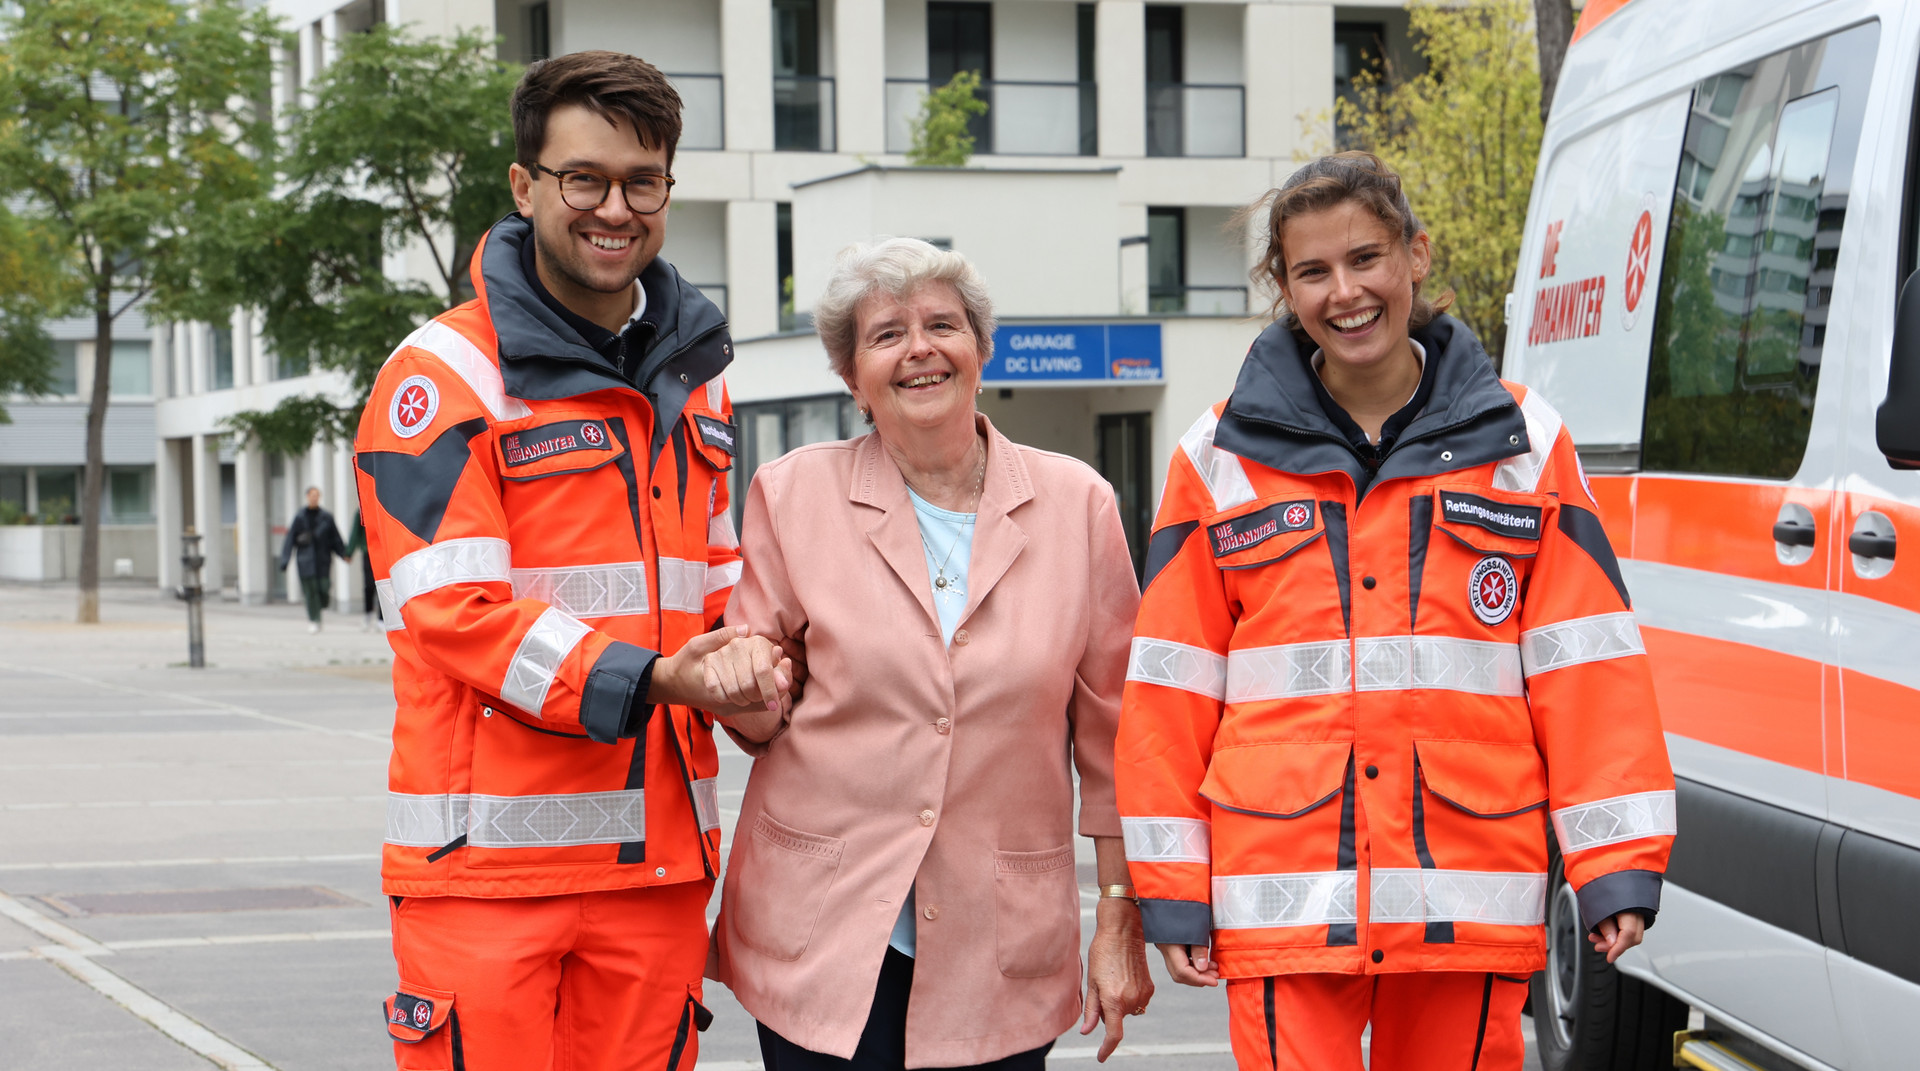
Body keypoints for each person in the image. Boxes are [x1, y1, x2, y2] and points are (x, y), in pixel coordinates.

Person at [1114, 152, 1676, 1071]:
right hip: (1286, 898)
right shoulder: (1217, 456)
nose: (1345, 292)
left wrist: (1613, 859)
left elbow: (1586, 663)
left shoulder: (1524, 444)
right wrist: (1172, 887)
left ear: (1416, 255)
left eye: (1366, 257)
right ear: (1284, 288)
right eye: (1313, 270)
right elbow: (1170, 688)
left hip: (1465, 893)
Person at [353, 51, 792, 1071]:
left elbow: (718, 594)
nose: (615, 209)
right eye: (583, 179)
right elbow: (455, 613)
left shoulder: (698, 381)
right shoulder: (443, 376)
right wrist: (661, 678)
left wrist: (759, 678)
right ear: (525, 186)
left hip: (658, 870)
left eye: (643, 182)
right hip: (487, 876)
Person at [713, 237, 1154, 1070]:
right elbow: (758, 700)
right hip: (823, 929)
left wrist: (1119, 912)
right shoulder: (793, 492)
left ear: (981, 351)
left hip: (998, 942)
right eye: (887, 334)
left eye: (942, 325)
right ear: (852, 376)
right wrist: (744, 683)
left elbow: (1119, 739)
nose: (919, 348)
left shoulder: (1079, 506)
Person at [277, 486, 349, 633]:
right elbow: (290, 539)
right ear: (307, 497)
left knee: (323, 588)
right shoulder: (300, 517)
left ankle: (320, 609)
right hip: (305, 560)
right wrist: (285, 560)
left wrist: (343, 554)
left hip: (323, 560)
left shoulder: (326, 517)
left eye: (317, 495)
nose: (314, 498)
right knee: (310, 593)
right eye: (312, 495)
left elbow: (335, 538)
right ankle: (314, 620)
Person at [346, 508, 378, 630]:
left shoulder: (381, 506)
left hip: (383, 552)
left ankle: (382, 619)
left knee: (384, 585)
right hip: (367, 552)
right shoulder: (361, 511)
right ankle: (368, 614)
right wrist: (349, 552)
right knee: (369, 585)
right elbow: (355, 532)